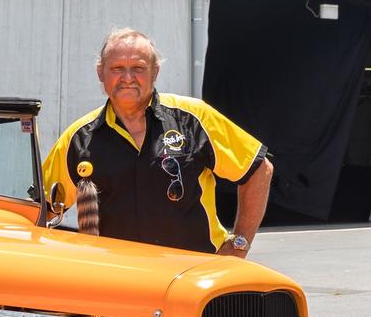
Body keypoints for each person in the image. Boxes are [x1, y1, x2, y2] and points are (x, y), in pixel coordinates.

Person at [42, 28, 273, 257]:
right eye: (116, 68)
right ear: (100, 73)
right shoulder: (79, 138)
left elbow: (259, 170)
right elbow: (41, 209)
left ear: (155, 71)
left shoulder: (194, 119)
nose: (128, 78)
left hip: (195, 275)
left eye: (139, 68)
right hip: (117, 280)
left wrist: (239, 243)